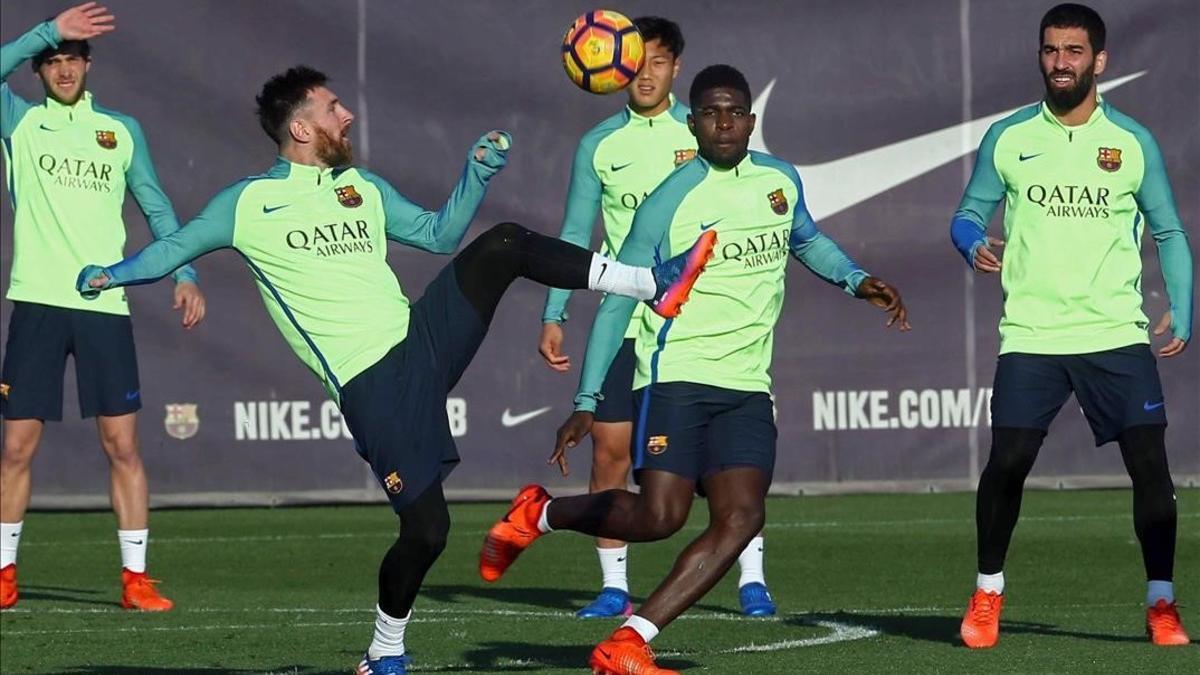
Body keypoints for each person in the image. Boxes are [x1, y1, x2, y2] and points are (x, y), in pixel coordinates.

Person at [76, 64, 715, 675]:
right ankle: (384, 650)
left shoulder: (362, 187)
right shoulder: (247, 203)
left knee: (504, 243)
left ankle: (646, 282)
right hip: (370, 383)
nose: (347, 114)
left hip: (419, 339)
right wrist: (114, 273)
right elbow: (172, 247)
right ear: (301, 128)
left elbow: (439, 236)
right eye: (332, 107)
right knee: (428, 530)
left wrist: (475, 175)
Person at [481, 64, 910, 674]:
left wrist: (856, 280)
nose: (724, 122)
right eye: (711, 112)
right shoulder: (668, 199)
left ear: (752, 122)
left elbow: (806, 238)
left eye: (735, 111)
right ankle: (542, 513)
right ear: (694, 119)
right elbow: (619, 299)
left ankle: (628, 641)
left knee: (743, 515)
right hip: (677, 376)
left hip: (747, 385)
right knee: (660, 518)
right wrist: (586, 398)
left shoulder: (779, 180)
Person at [951, 2, 1192, 649]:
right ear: (1040, 56)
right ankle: (987, 592)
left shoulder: (1133, 142)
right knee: (1008, 461)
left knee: (1151, 470)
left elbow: (1168, 228)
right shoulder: (1007, 136)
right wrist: (970, 239)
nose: (1061, 62)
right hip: (1032, 333)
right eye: (1051, 50)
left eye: (1074, 51)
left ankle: (1161, 603)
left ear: (1100, 61)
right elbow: (967, 213)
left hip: (1115, 331)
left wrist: (1184, 304)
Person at [540, 16, 775, 619]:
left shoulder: (705, 132)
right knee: (611, 456)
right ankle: (614, 583)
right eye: (633, 62)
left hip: (698, 328)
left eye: (658, 62)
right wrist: (555, 311)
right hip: (626, 322)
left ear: (676, 68)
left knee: (730, 463)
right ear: (609, 68)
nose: (645, 73)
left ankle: (752, 577)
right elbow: (575, 234)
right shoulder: (599, 145)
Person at [1, 2, 206, 612]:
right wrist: (48, 30)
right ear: (38, 71)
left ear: (89, 65)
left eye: (73, 60)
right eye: (53, 62)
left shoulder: (120, 130)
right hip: (37, 302)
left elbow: (157, 206)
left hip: (103, 306)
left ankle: (136, 579)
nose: (64, 70)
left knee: (122, 446)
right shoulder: (20, 121)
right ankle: (5, 573)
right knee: (14, 450)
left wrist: (184, 270)